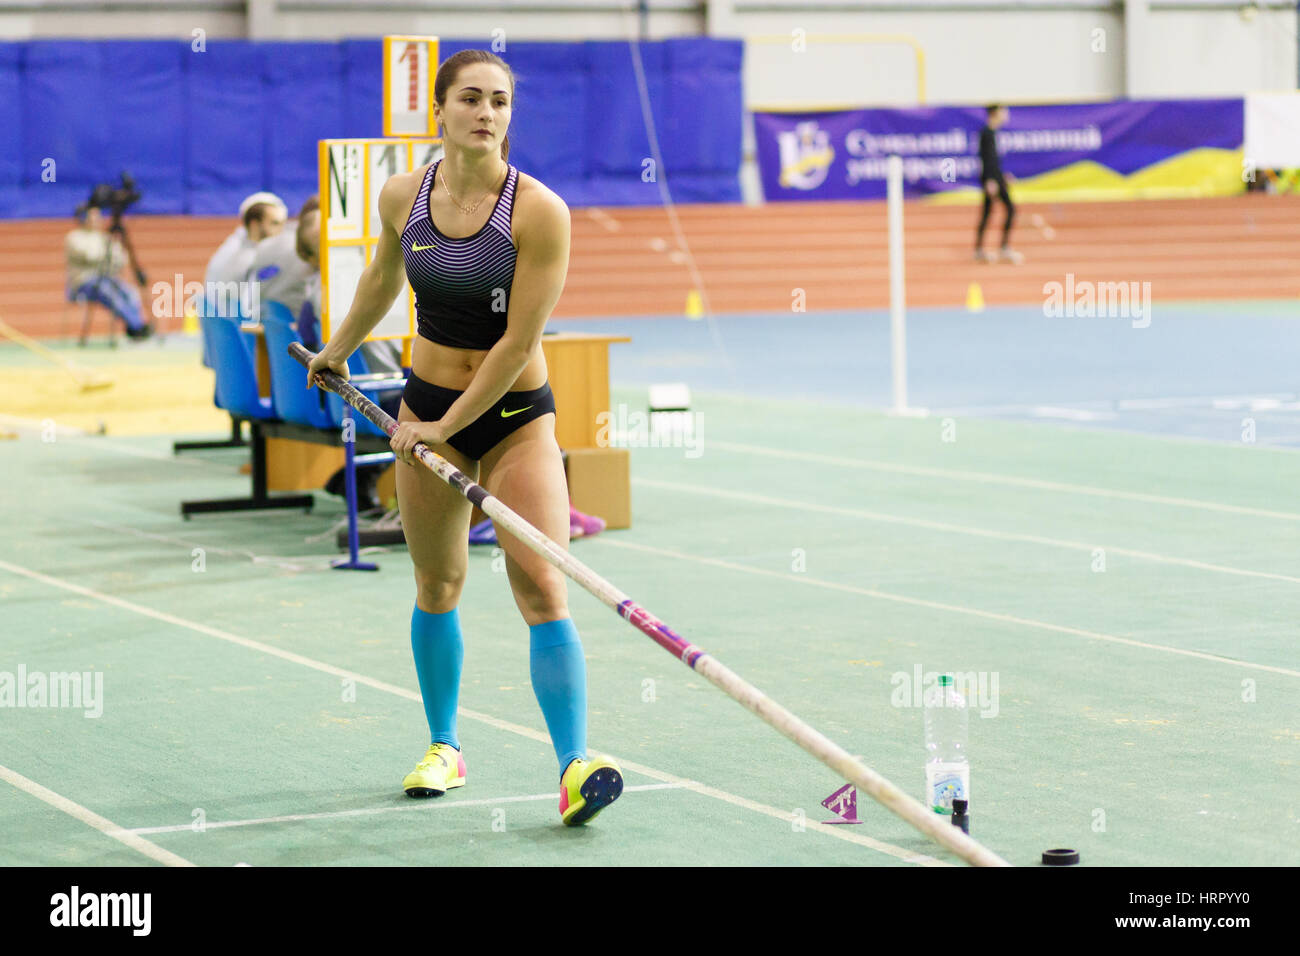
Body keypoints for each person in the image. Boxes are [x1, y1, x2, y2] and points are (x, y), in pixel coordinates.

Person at [307, 49, 623, 826]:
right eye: (472, 99)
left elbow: (518, 341)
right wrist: (336, 349)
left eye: (501, 102)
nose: (488, 113)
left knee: (542, 584)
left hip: (515, 417)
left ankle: (575, 767)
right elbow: (382, 280)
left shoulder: (539, 211)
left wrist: (446, 428)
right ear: (439, 112)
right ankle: (444, 746)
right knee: (437, 584)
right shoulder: (401, 196)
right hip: (427, 405)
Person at [64, 206, 153, 339]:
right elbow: (90, 256)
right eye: (93, 217)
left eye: (98, 216)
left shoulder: (104, 237)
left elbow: (121, 258)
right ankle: (137, 326)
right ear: (83, 219)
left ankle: (136, 325)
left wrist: (114, 256)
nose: (97, 220)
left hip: (107, 277)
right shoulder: (74, 237)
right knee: (109, 293)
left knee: (130, 292)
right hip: (84, 281)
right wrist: (107, 253)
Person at [975, 104, 1022, 264]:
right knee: (1007, 209)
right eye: (1003, 111)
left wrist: (1002, 176)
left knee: (992, 212)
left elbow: (993, 160)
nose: (1006, 114)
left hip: (995, 178)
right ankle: (999, 248)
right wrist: (990, 180)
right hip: (991, 179)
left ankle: (984, 249)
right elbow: (985, 159)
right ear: (995, 113)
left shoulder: (993, 133)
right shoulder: (986, 133)